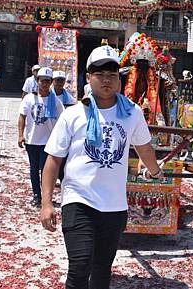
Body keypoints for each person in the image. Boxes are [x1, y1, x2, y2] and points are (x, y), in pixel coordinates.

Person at [40, 45, 162, 289]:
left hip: (114, 206)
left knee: (102, 269)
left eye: (112, 75)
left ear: (119, 78)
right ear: (88, 78)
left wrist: (156, 171)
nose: (106, 80)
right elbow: (53, 160)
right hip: (78, 200)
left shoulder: (131, 113)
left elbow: (144, 147)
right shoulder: (73, 114)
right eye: (99, 74)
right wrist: (46, 203)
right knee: (80, 264)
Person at [18, 67, 64, 207]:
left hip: (48, 141)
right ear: (37, 81)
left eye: (47, 81)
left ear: (51, 83)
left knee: (45, 169)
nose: (45, 84)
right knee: (33, 169)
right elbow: (22, 117)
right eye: (42, 81)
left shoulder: (55, 101)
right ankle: (36, 194)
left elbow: (63, 120)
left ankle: (46, 196)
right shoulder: (29, 98)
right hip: (32, 140)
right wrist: (20, 135)